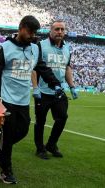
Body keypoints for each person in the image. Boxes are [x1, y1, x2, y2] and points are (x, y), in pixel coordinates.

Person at [0, 15, 63, 184]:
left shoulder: (34, 48)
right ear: (20, 28)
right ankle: (6, 170)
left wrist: (55, 84)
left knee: (23, 130)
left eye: (34, 32)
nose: (32, 35)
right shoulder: (3, 48)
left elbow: (42, 67)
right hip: (7, 98)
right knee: (10, 132)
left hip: (23, 100)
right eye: (29, 31)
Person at [32, 20, 78, 160]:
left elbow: (67, 68)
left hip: (59, 92)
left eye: (62, 29)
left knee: (62, 117)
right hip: (43, 91)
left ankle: (51, 144)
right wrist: (35, 88)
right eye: (57, 29)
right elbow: (34, 68)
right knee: (40, 121)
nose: (59, 32)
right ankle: (40, 148)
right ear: (50, 31)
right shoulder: (40, 45)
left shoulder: (67, 48)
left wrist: (72, 86)